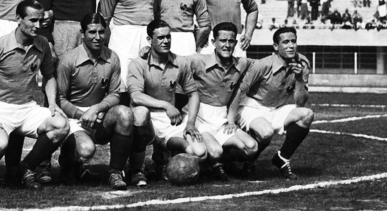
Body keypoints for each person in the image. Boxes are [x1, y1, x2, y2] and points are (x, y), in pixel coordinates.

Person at [0, 0, 69, 190]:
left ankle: (25, 168)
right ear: (18, 19)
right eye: (32, 20)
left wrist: (53, 103)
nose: (37, 26)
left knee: (61, 125)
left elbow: (49, 76)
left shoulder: (43, 44)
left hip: (27, 107)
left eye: (40, 21)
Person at [56, 13, 137, 190]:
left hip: (99, 115)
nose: (98, 37)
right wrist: (82, 114)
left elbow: (115, 94)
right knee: (86, 150)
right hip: (74, 118)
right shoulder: (68, 60)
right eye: (92, 32)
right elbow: (59, 99)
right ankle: (69, 163)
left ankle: (115, 172)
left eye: (102, 32)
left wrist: (97, 109)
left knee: (125, 113)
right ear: (82, 33)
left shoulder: (112, 57)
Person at [127, 19, 207, 182]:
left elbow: (193, 94)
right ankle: (136, 168)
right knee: (140, 114)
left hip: (170, 122)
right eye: (161, 37)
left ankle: (166, 163)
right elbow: (136, 96)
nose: (166, 41)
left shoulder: (180, 62)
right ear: (150, 40)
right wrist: (166, 105)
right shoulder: (138, 63)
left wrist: (190, 123)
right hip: (146, 120)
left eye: (168, 37)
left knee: (199, 152)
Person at [237, 27, 314, 180]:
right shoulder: (263, 65)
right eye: (285, 42)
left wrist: (299, 78)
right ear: (275, 46)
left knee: (307, 115)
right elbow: (240, 90)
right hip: (253, 107)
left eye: (293, 41)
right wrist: (231, 118)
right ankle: (250, 159)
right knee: (265, 133)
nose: (291, 46)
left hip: (276, 108)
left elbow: (300, 102)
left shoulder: (302, 63)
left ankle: (282, 158)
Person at [187, 22, 258, 181]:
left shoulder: (241, 63)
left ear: (236, 43)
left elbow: (264, 65)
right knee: (215, 151)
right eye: (222, 41)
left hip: (222, 118)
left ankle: (225, 162)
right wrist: (147, 52)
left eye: (231, 41)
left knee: (252, 148)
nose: (227, 45)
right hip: (201, 117)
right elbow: (173, 60)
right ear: (213, 42)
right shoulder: (198, 61)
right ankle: (210, 162)